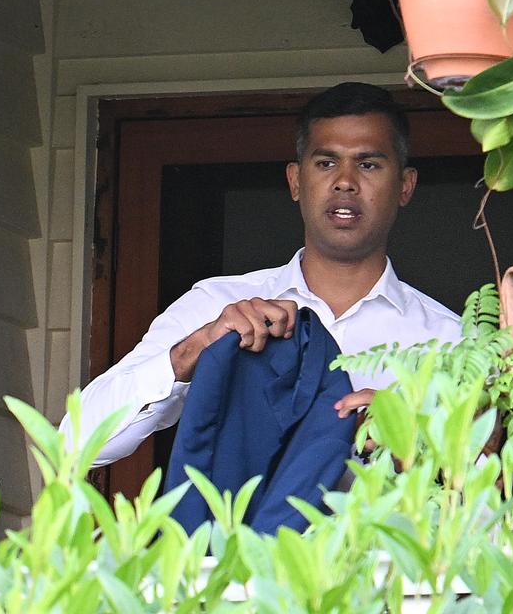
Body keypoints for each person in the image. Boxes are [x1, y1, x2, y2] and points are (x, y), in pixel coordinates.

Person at [65, 82, 462, 467]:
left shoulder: (453, 340)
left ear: (405, 186)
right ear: (295, 181)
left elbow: (492, 511)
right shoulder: (216, 305)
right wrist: (196, 348)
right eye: (326, 162)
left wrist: (417, 442)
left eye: (369, 164)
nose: (345, 181)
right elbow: (74, 443)